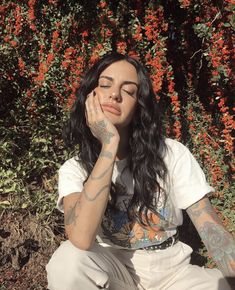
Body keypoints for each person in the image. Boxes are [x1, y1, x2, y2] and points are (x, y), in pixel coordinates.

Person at [46, 52, 235, 290]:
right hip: (114, 272)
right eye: (105, 84)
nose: (115, 94)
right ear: (90, 96)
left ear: (138, 106)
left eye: (129, 91)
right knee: (67, 263)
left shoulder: (171, 154)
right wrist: (109, 144)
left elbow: (211, 231)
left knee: (222, 284)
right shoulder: (75, 168)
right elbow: (81, 238)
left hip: (174, 275)